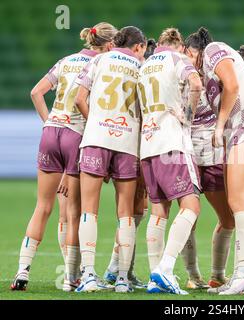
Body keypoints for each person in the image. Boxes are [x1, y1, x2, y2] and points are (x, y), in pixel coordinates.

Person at [10, 22, 117, 292]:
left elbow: (36, 92)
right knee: (72, 212)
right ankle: (72, 278)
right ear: (107, 45)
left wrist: (49, 122)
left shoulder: (66, 60)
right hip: (75, 136)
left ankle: (22, 272)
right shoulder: (104, 64)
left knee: (42, 207)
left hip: (50, 133)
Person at [185, 27, 244, 295]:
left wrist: (219, 125)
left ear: (194, 51)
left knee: (238, 203)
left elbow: (234, 85)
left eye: (187, 56)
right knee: (240, 204)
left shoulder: (213, 50)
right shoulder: (207, 74)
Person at [74, 26, 147, 293]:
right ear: (138, 46)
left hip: (97, 137)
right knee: (125, 212)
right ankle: (123, 281)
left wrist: (96, 120)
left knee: (89, 208)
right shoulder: (141, 67)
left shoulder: (98, 60)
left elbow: (79, 98)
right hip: (127, 142)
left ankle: (90, 276)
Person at [138, 28, 203, 295]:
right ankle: (165, 269)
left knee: (158, 212)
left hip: (147, 144)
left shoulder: (144, 66)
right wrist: (188, 115)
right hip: (172, 142)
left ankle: (156, 277)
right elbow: (197, 85)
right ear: (178, 45)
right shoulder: (179, 60)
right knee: (191, 207)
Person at [102, 38, 159, 290]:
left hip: (129, 143)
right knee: (134, 209)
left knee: (138, 209)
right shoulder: (143, 71)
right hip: (136, 146)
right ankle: (118, 268)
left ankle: (121, 267)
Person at [189, 91, 234, 290]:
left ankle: (217, 275)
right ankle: (193, 276)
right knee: (188, 215)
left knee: (228, 219)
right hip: (186, 149)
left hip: (213, 151)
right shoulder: (179, 73)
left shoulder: (214, 73)